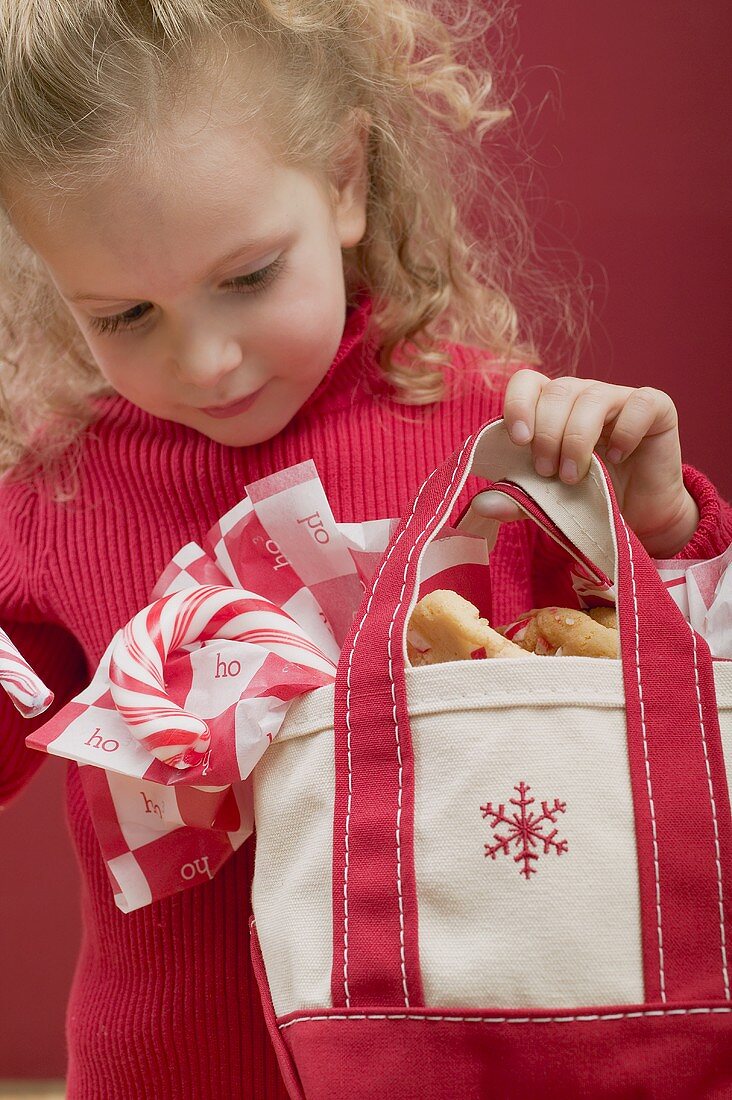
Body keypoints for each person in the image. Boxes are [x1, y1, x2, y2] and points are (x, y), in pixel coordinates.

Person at [0, 2, 729, 1097]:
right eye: (125, 313)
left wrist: (662, 525)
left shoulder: (494, 435)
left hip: (458, 1058)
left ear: (345, 179)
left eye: (246, 277)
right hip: (169, 1067)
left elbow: (637, 696)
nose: (207, 359)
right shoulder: (57, 490)